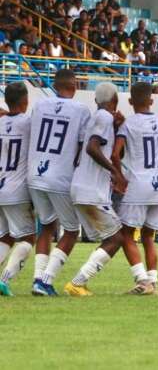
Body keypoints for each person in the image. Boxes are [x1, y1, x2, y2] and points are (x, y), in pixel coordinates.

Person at [29, 69, 91, 296]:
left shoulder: (39, 105)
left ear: (55, 86)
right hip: (60, 176)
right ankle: (45, 281)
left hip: (34, 174)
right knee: (72, 230)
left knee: (46, 226)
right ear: (74, 86)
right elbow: (83, 147)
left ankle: (37, 277)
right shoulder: (81, 110)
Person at [65, 83, 127, 296]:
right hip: (91, 189)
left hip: (82, 187)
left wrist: (118, 129)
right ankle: (77, 282)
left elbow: (107, 149)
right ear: (115, 101)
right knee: (117, 238)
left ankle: (76, 281)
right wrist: (115, 172)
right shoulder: (104, 117)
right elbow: (92, 148)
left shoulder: (99, 118)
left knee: (112, 237)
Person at [112, 82, 158, 295]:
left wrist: (118, 177)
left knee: (125, 234)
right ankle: (153, 282)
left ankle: (142, 280)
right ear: (152, 100)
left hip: (138, 184)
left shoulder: (128, 125)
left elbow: (114, 153)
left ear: (130, 102)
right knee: (148, 235)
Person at [0, 82, 36, 296]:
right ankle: (4, 280)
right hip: (16, 188)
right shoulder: (29, 123)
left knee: (5, 236)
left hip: (1, 184)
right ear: (26, 101)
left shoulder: (1, 122)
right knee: (28, 237)